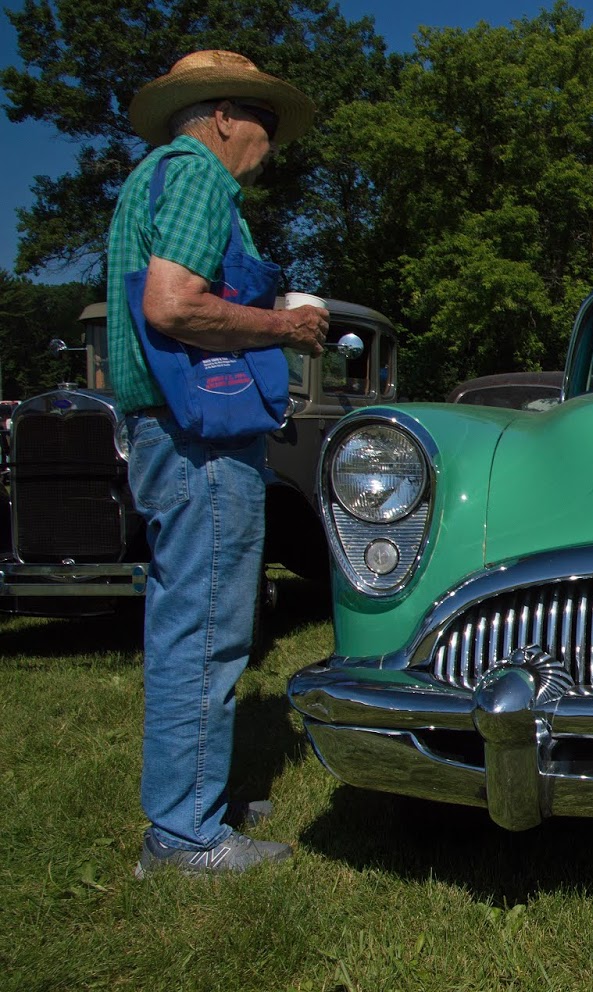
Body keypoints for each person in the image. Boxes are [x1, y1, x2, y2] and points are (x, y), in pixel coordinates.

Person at [109, 50, 326, 876]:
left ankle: (196, 795)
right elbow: (174, 304)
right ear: (225, 114)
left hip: (167, 433)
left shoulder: (155, 181)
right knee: (204, 629)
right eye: (265, 120)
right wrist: (286, 328)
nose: (272, 139)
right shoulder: (197, 176)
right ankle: (182, 837)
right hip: (198, 440)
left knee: (191, 619)